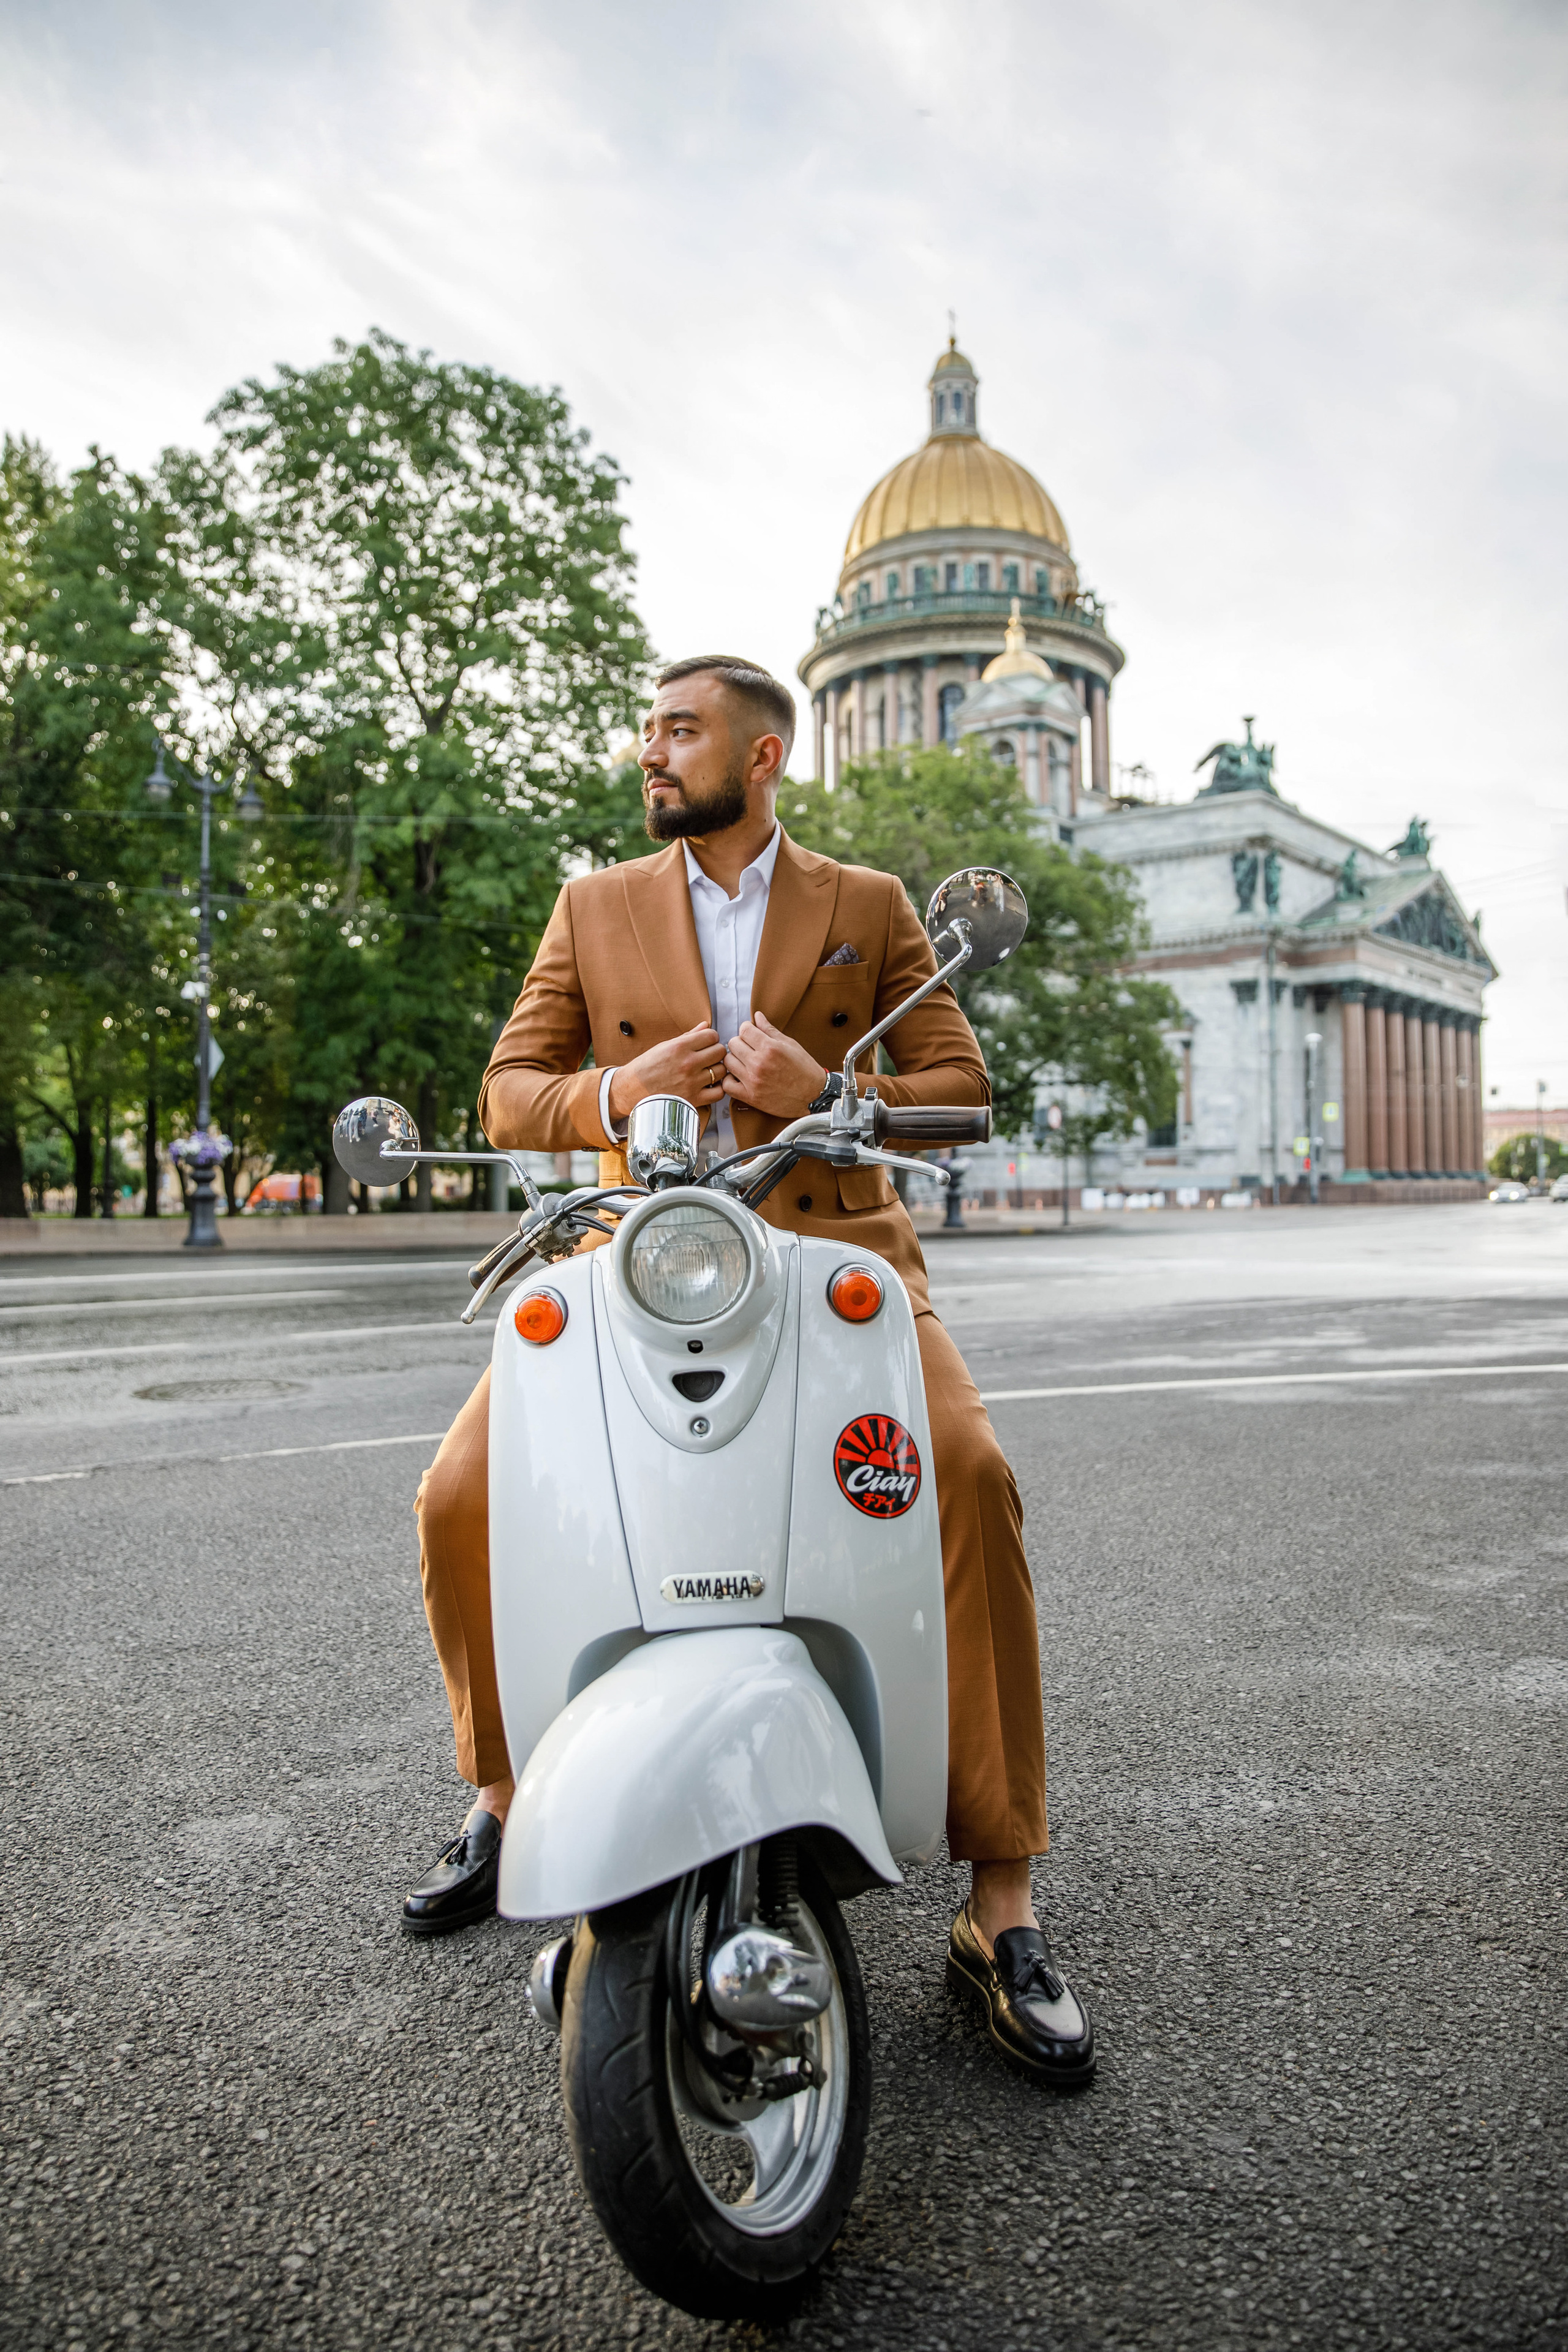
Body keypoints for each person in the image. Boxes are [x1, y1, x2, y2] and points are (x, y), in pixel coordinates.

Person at [404, 654, 1094, 2086]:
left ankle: (1001, 1903)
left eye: (679, 732)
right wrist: (616, 1093)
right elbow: (508, 1088)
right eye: (648, 733)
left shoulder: (870, 907)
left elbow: (961, 1096)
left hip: (832, 1265)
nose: (651, 755)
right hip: (628, 1261)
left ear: (762, 756)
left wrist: (826, 1094)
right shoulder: (592, 905)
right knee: (459, 1492)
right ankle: (499, 1790)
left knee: (963, 1475)